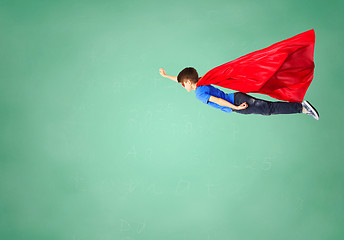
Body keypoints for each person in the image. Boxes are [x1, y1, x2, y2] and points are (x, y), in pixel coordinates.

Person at [159, 67, 319, 120]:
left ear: (188, 82)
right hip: (237, 97)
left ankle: (302, 108)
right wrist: (166, 76)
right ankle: (301, 107)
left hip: (237, 102)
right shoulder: (201, 81)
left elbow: (218, 101)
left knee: (268, 109)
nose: (181, 85)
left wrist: (235, 107)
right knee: (268, 108)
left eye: (182, 84)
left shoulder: (199, 94)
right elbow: (184, 78)